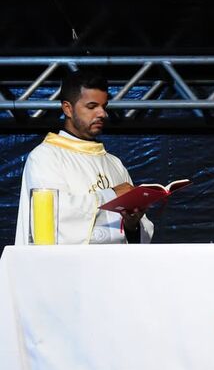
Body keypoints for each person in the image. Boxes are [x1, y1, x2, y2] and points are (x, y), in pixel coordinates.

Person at [15, 68, 154, 245]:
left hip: (116, 268)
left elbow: (138, 233)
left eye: (104, 107)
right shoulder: (45, 157)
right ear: (68, 109)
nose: (102, 114)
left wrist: (131, 224)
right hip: (69, 269)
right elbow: (53, 218)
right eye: (91, 106)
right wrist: (110, 195)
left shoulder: (114, 163)